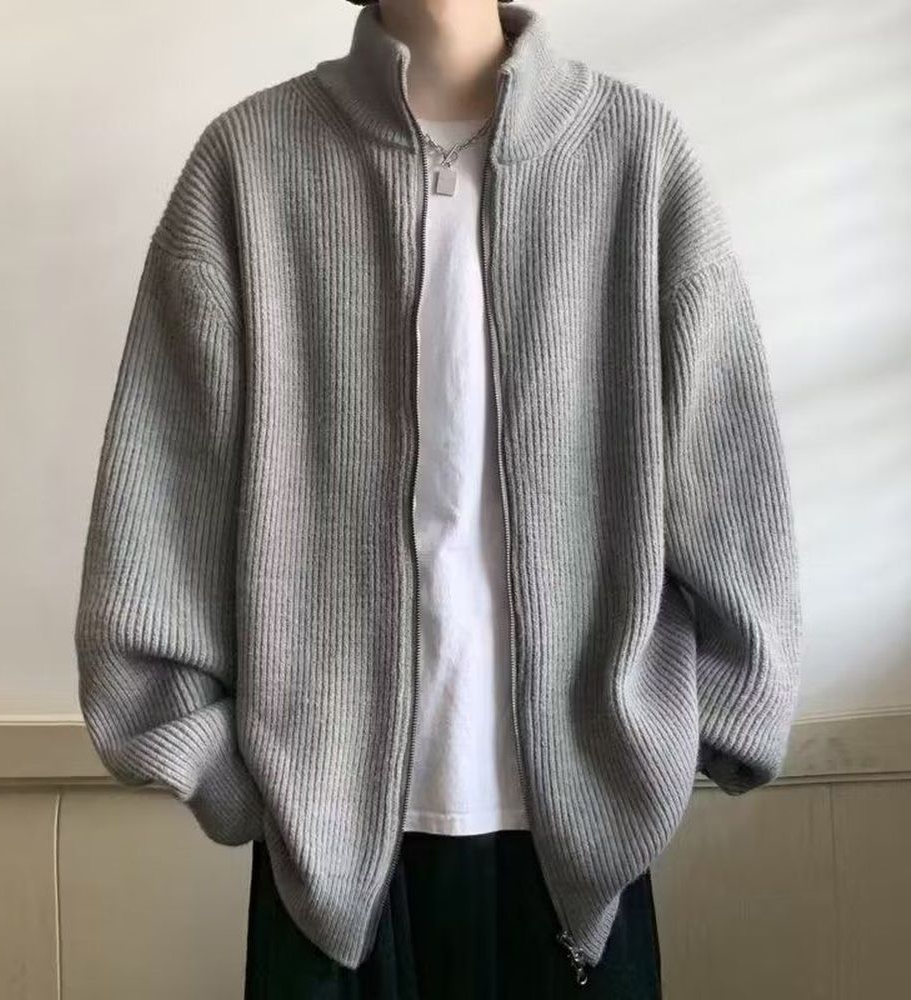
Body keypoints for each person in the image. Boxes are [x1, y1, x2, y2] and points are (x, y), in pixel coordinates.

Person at [73, 0, 803, 997]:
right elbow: (159, 503)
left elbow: (728, 471)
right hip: (325, 861)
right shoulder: (249, 167)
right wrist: (229, 774)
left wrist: (674, 744)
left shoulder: (635, 159)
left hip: (579, 853)